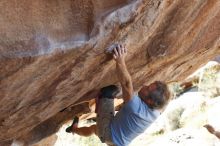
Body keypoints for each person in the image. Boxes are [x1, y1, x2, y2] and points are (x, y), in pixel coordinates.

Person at [66, 44, 171, 146]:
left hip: (108, 133)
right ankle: (74, 129)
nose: (144, 85)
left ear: (150, 101)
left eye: (147, 89)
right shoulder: (156, 111)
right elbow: (165, 103)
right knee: (94, 129)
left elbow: (126, 83)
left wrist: (120, 60)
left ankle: (93, 103)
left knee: (109, 91)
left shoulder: (136, 108)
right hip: (118, 142)